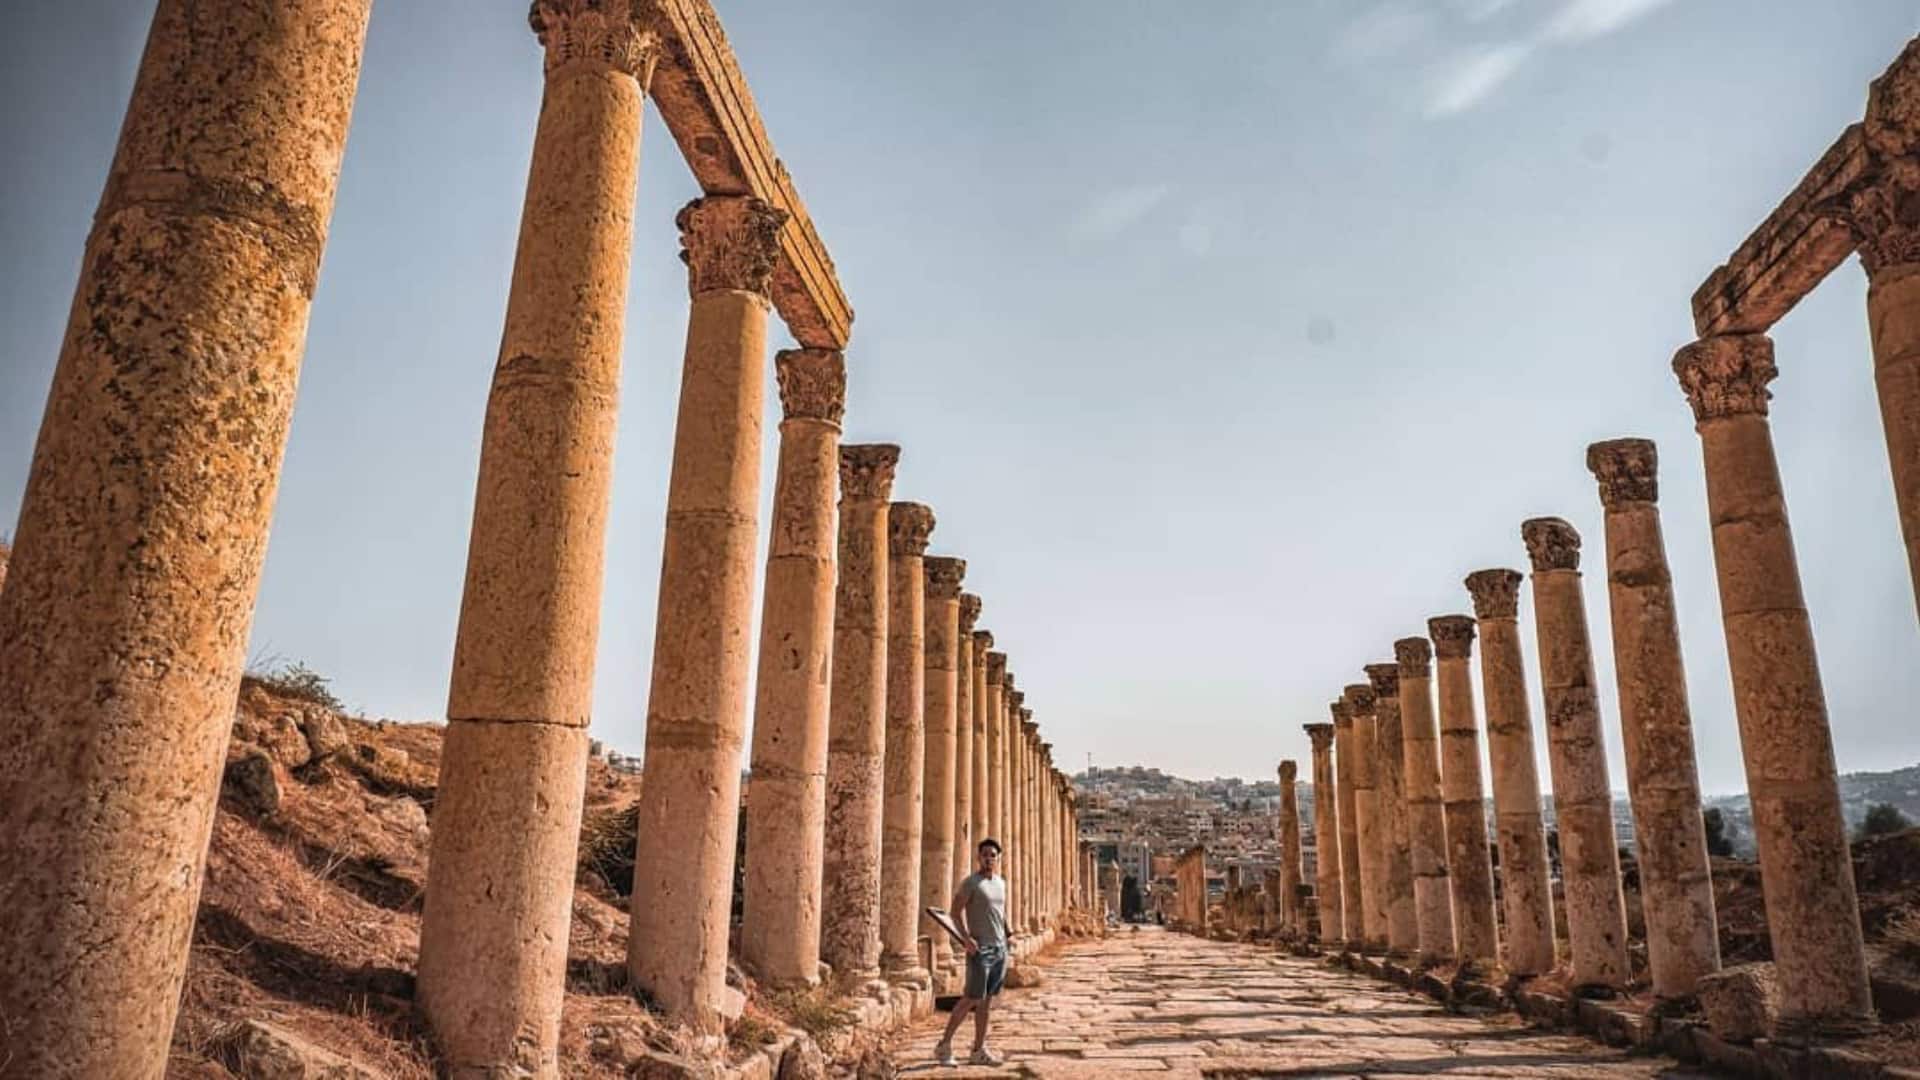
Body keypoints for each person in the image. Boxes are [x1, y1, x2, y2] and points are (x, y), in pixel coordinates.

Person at [933, 838, 1008, 1067]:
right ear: (978, 857)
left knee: (986, 1003)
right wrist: (966, 940)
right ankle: (944, 1046)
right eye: (985, 854)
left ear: (998, 858)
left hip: (1000, 948)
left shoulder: (1000, 883)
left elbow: (1000, 913)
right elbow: (955, 913)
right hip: (981, 948)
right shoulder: (971, 883)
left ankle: (978, 1050)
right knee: (970, 999)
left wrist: (1008, 937)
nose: (988, 858)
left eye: (992, 855)